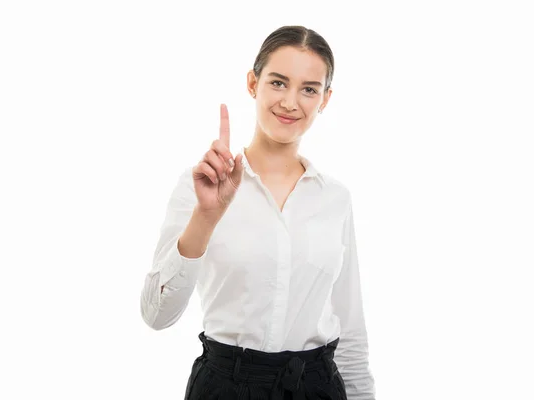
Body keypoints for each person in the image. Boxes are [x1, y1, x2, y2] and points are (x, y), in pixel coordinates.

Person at [140, 25, 376, 400]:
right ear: (253, 83)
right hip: (225, 387)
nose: (290, 102)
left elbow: (350, 329)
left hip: (316, 387)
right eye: (278, 82)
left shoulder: (335, 199)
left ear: (325, 99)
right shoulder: (199, 185)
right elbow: (156, 314)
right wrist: (206, 217)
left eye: (309, 89)